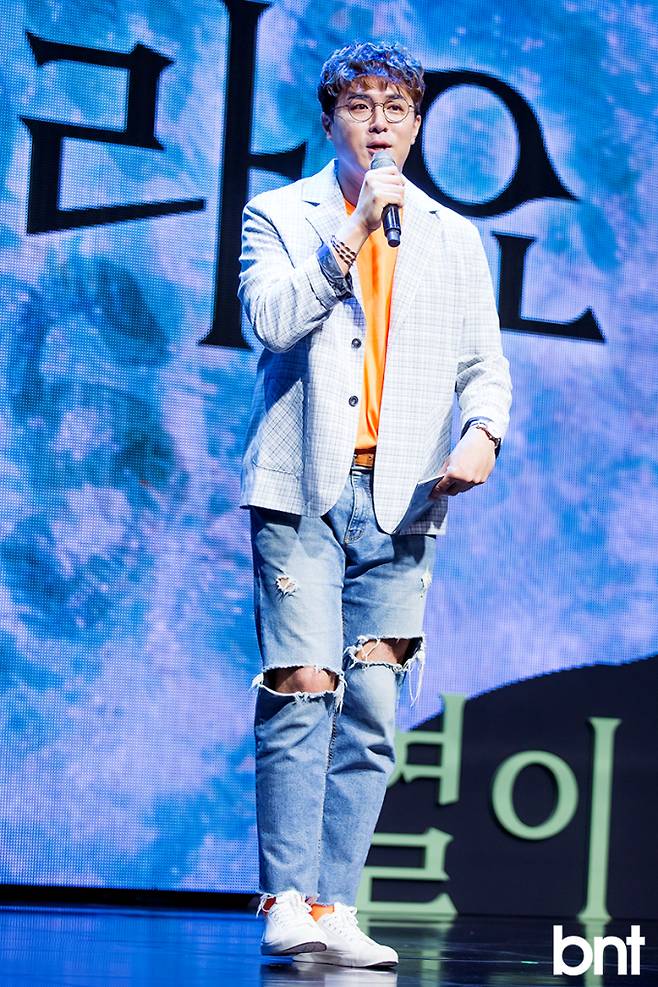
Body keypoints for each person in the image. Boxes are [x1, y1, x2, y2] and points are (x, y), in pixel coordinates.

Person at [238, 40, 512, 968]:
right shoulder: (280, 214)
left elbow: (484, 364)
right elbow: (271, 320)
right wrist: (354, 228)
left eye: (397, 107)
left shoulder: (453, 236)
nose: (380, 123)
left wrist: (484, 432)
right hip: (302, 489)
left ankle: (335, 900)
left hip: (404, 499)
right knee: (304, 684)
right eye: (361, 106)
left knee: (370, 706)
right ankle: (286, 896)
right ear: (331, 122)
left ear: (418, 123)